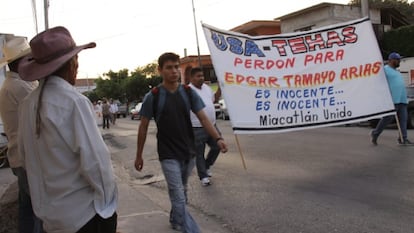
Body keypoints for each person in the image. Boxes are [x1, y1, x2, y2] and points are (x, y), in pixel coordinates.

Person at [17, 26, 118, 233]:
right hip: (82, 217)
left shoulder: (27, 105)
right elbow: (97, 164)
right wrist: (108, 209)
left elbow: (23, 157)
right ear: (71, 63)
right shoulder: (74, 102)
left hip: (50, 220)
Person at [134, 52, 228, 232]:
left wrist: (218, 138)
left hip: (188, 152)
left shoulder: (187, 93)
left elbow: (204, 119)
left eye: (176, 67)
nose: (174, 71)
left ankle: (176, 218)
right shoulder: (153, 96)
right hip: (167, 154)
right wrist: (139, 155)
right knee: (177, 194)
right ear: (160, 70)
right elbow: (143, 127)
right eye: (169, 67)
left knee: (182, 191)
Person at [0, 37, 43, 233]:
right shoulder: (21, 87)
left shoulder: (12, 85)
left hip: (20, 157)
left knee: (27, 209)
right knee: (39, 212)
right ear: (21, 62)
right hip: (27, 159)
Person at [189, 67, 222, 186]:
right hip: (197, 127)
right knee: (199, 153)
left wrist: (220, 88)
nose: (201, 78)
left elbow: (215, 99)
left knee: (217, 146)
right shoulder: (188, 90)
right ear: (191, 78)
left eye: (202, 76)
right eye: (198, 76)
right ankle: (203, 176)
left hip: (212, 125)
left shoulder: (206, 88)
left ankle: (207, 166)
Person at [370, 52, 413, 145]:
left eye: (399, 60)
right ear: (391, 60)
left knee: (403, 120)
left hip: (402, 100)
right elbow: (378, 81)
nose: (399, 61)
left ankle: (403, 138)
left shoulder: (397, 71)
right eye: (397, 60)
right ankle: (375, 133)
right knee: (387, 118)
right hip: (393, 100)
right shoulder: (385, 70)